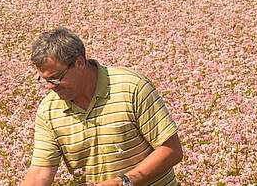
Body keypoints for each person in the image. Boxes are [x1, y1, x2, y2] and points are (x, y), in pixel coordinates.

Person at [19, 28, 184, 186]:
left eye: (55, 78)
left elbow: (171, 150)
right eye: (45, 80)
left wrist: (125, 182)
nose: (50, 87)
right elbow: (41, 172)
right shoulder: (49, 110)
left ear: (79, 63)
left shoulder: (131, 88)